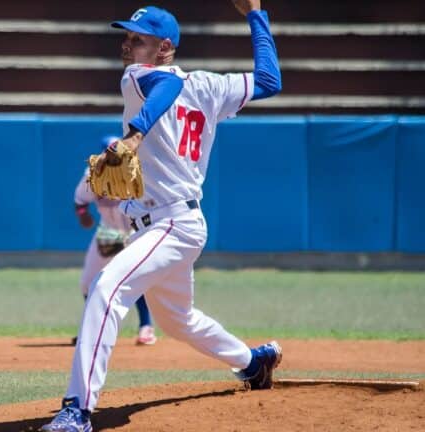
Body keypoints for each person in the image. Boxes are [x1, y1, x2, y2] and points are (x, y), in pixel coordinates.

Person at [41, 1, 282, 431]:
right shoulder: (209, 86)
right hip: (173, 225)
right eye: (127, 36)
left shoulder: (137, 78)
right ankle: (252, 363)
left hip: (171, 222)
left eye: (139, 39)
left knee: (106, 290)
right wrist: (255, 16)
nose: (128, 44)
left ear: (165, 47)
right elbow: (268, 79)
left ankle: (77, 410)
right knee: (178, 320)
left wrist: (134, 135)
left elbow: (167, 89)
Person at [74, 135, 156, 347]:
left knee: (136, 280)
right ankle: (91, 330)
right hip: (109, 231)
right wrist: (83, 214)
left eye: (115, 153)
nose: (110, 157)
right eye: (107, 154)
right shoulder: (91, 175)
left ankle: (146, 327)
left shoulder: (136, 172)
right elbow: (80, 200)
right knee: (87, 282)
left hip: (135, 232)